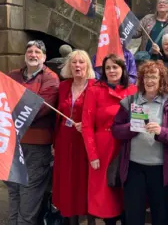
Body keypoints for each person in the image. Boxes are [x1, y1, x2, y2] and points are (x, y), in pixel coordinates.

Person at [112, 61, 168, 225]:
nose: (150, 81)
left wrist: (161, 131)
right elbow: (115, 130)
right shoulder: (130, 101)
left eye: (154, 77)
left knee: (160, 214)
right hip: (134, 167)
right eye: (147, 77)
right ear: (141, 80)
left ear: (161, 80)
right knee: (134, 215)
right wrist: (132, 128)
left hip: (160, 168)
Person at [7, 40, 60, 225]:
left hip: (36, 146)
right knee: (14, 192)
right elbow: (0, 100)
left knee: (29, 195)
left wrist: (13, 107)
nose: (33, 54)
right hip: (12, 144)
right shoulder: (13, 75)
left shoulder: (51, 78)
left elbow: (39, 108)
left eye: (38, 51)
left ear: (44, 57)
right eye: (30, 51)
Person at [82, 54, 138, 225]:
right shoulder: (94, 91)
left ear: (123, 68)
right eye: (108, 68)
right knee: (106, 195)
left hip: (128, 145)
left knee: (127, 192)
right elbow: (87, 126)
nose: (112, 71)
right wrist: (92, 155)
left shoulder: (133, 90)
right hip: (103, 147)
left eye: (116, 67)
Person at [52, 50, 96, 225]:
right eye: (74, 63)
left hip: (84, 141)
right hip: (64, 139)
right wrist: (54, 142)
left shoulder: (95, 86)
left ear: (87, 66)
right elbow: (58, 116)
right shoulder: (63, 86)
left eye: (81, 62)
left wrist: (86, 125)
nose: (77, 66)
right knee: (67, 179)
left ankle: (90, 219)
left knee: (84, 180)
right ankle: (71, 220)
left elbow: (100, 115)